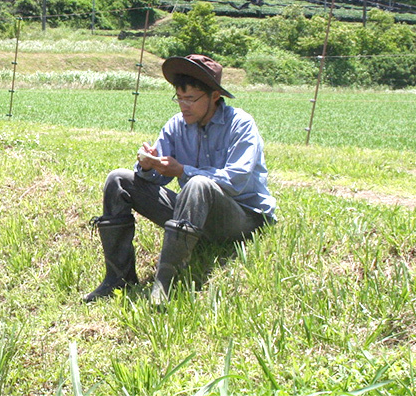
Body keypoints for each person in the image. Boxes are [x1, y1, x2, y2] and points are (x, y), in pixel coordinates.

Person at [83, 54, 276, 306]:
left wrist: (183, 171)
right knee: (119, 179)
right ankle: (118, 277)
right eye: (179, 98)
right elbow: (157, 179)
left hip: (243, 218)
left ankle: (165, 284)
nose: (183, 105)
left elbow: (234, 182)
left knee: (198, 184)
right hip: (193, 216)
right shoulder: (176, 125)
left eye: (191, 99)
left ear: (214, 97)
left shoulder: (241, 125)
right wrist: (147, 165)